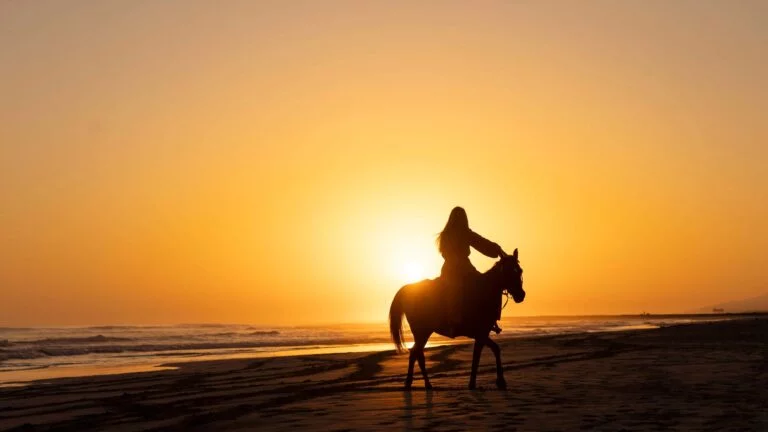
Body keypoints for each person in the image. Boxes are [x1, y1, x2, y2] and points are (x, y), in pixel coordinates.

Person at [436, 206, 507, 335]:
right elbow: (446, 252)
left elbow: (481, 242)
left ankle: (490, 319)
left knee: (487, 285)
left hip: (466, 268)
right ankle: (453, 321)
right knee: (456, 290)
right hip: (452, 270)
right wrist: (457, 262)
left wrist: (496, 249)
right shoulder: (447, 235)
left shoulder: (465, 233)